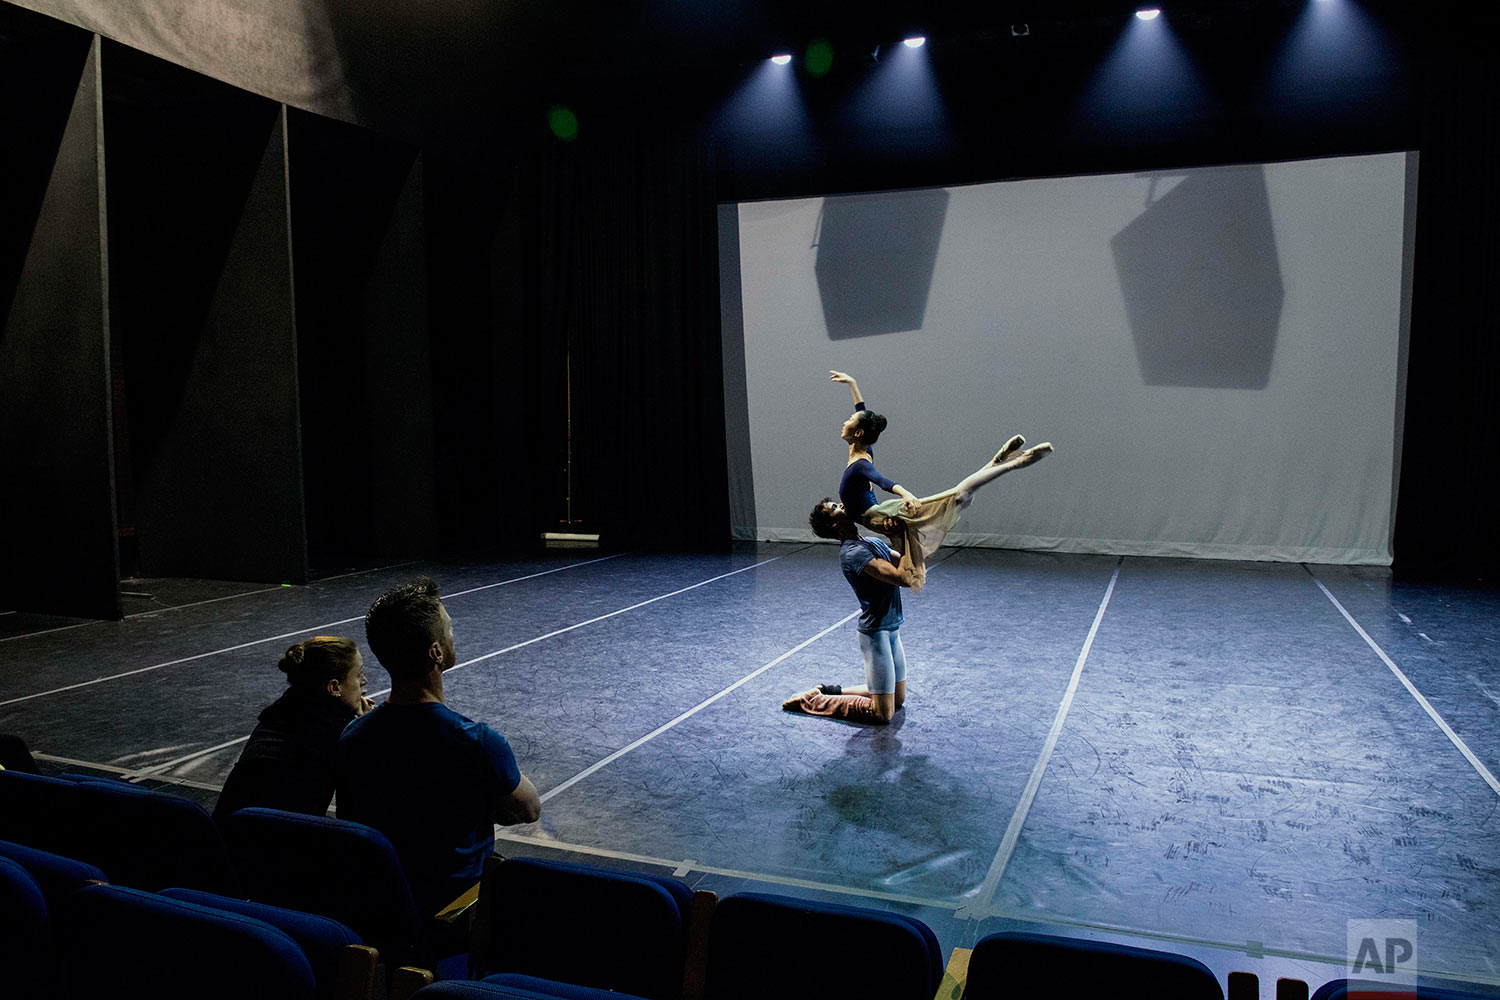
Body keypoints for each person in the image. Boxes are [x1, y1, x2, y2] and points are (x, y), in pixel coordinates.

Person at [336, 576, 541, 915]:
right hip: (455, 911)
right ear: (436, 651)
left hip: (382, 905)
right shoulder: (477, 742)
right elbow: (529, 809)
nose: (452, 635)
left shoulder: (352, 737)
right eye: (448, 629)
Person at [827, 369, 1052, 591]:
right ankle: (995, 463)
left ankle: (1016, 463)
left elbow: (882, 481)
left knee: (959, 496)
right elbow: (862, 412)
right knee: (959, 498)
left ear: (858, 433)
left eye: (849, 420)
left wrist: (906, 494)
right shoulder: (864, 453)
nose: (845, 421)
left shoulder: (860, 465)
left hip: (880, 515)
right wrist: (853, 384)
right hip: (881, 514)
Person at [213, 637, 373, 827]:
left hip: (227, 836)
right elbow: (356, 812)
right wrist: (366, 729)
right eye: (359, 674)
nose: (365, 681)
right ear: (334, 687)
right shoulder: (339, 735)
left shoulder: (277, 714)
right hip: (284, 843)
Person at [781, 500, 914, 725]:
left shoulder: (871, 542)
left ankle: (826, 690)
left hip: (892, 628)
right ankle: (810, 702)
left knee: (897, 700)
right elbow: (901, 578)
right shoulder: (853, 554)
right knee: (882, 714)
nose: (842, 504)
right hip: (876, 634)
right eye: (834, 508)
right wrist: (903, 532)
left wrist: (897, 535)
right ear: (834, 525)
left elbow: (904, 563)